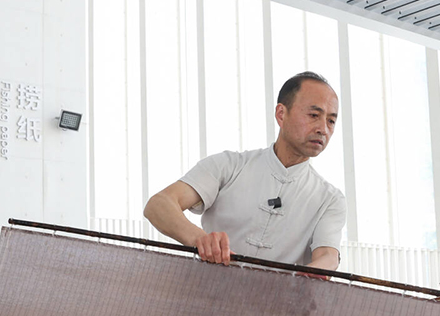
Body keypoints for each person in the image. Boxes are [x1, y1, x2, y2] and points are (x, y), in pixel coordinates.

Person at [143, 71, 346, 271]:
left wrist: (305, 278)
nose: (323, 129)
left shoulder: (330, 199)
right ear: (281, 114)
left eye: (331, 121)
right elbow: (159, 205)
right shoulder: (229, 165)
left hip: (280, 294)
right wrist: (200, 239)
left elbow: (328, 257)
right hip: (207, 289)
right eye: (314, 115)